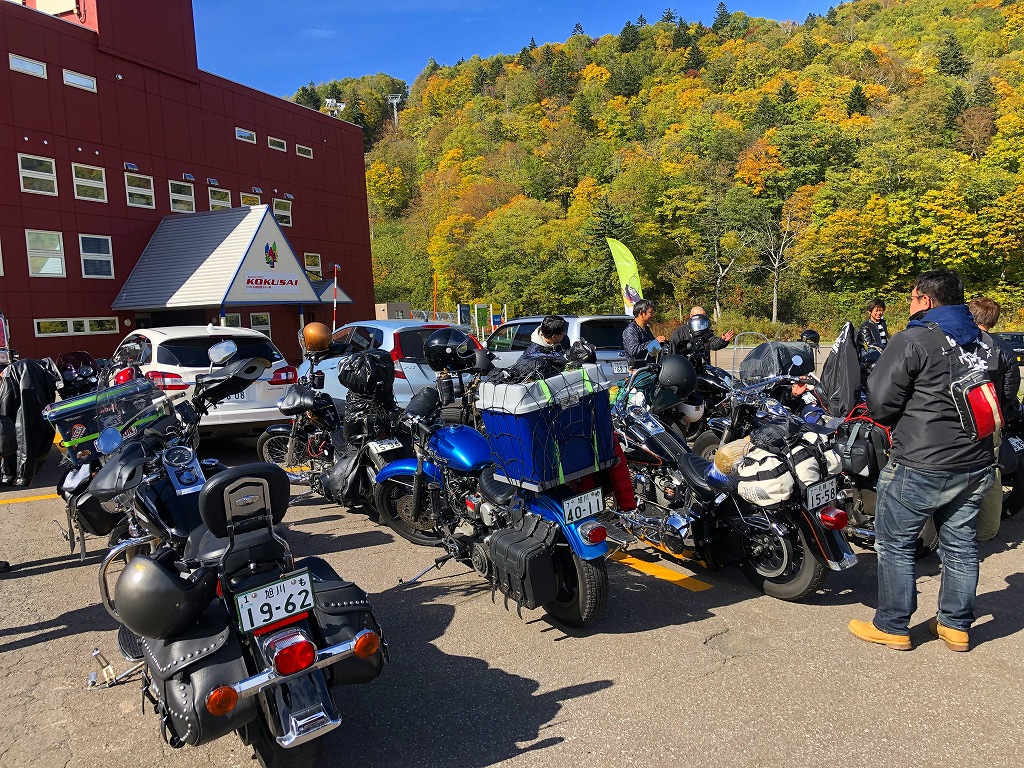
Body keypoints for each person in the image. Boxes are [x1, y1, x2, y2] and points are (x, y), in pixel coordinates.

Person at [849, 269, 997, 652]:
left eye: (912, 298)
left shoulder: (913, 339)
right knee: (960, 544)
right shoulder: (985, 342)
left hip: (921, 461)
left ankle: (892, 625)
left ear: (926, 300)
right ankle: (955, 626)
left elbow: (880, 402)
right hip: (975, 460)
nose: (910, 304)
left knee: (895, 544)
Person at [968, 297, 1020, 541]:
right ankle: (986, 530)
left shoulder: (955, 343)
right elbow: (1010, 391)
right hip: (989, 420)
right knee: (991, 473)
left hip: (955, 419)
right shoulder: (1004, 349)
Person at [505, 315, 569, 381]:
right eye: (563, 332)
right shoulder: (534, 352)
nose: (564, 334)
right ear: (554, 337)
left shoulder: (564, 340)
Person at [669, 306, 735, 368]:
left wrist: (722, 341)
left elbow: (713, 342)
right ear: (691, 316)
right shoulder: (681, 331)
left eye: (704, 316)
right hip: (685, 369)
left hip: (703, 368)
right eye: (699, 316)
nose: (702, 319)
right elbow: (672, 349)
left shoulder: (705, 331)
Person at [622, 299, 665, 368]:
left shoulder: (646, 328)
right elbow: (634, 351)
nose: (653, 315)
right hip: (638, 371)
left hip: (649, 368)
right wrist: (655, 342)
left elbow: (651, 351)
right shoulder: (631, 330)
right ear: (641, 313)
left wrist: (661, 345)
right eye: (650, 312)